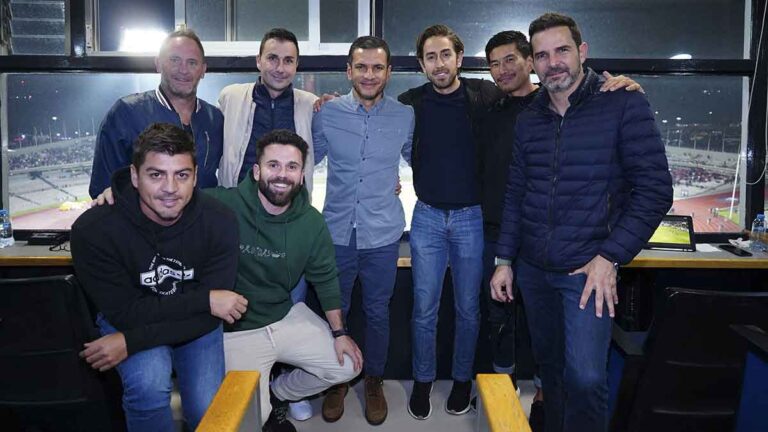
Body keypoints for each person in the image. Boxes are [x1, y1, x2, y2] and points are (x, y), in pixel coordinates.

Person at [491, 13, 672, 432]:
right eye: (542, 55)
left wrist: (610, 257)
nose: (553, 62)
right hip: (534, 271)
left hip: (588, 270)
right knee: (551, 373)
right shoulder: (529, 118)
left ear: (582, 52)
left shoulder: (624, 102)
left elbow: (656, 190)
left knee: (587, 378)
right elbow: (517, 193)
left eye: (562, 50)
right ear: (532, 63)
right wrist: (505, 259)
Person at [71, 123, 247, 431]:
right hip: (133, 318)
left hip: (192, 321)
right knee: (148, 387)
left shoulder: (220, 221)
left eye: (182, 175)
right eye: (156, 175)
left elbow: (210, 318)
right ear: (135, 176)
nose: (170, 188)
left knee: (208, 408)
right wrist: (204, 300)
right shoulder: (94, 230)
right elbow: (126, 313)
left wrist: (130, 342)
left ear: (195, 177)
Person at [205, 129, 363, 432]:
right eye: (273, 165)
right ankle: (265, 403)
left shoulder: (312, 222)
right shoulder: (223, 205)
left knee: (348, 365)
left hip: (284, 315)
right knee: (251, 416)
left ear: (302, 176)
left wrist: (340, 332)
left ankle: (279, 392)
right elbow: (170, 200)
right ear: (256, 171)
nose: (282, 174)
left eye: (292, 167)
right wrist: (116, 194)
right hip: (238, 331)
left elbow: (327, 280)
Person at [398, 24, 502, 419]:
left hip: (471, 218)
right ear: (422, 64)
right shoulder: (411, 102)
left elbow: (533, 97)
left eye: (446, 55)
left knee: (468, 308)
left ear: (459, 58)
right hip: (425, 216)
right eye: (430, 57)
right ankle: (423, 381)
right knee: (424, 307)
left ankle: (462, 381)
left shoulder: (484, 95)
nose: (439, 64)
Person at [217, 27, 319, 421]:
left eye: (288, 60)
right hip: (240, 217)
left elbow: (321, 152)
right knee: (240, 301)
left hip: (289, 215)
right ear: (258, 61)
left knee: (292, 301)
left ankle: (288, 387)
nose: (280, 67)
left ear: (297, 65)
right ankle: (243, 382)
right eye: (272, 58)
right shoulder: (231, 97)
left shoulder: (310, 104)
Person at [312, 35, 413, 425]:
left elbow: (417, 159)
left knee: (377, 312)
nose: (368, 74)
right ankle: (337, 380)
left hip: (383, 233)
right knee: (336, 312)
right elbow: (306, 160)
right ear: (348, 70)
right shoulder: (328, 113)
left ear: (388, 72)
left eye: (377, 67)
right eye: (361, 67)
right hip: (335, 231)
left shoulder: (405, 116)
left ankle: (373, 379)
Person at [89, 29, 223, 198]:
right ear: (158, 63)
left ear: (203, 70)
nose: (183, 70)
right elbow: (103, 188)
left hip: (200, 222)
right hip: (141, 223)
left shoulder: (215, 119)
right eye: (174, 60)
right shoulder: (126, 113)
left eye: (192, 62)